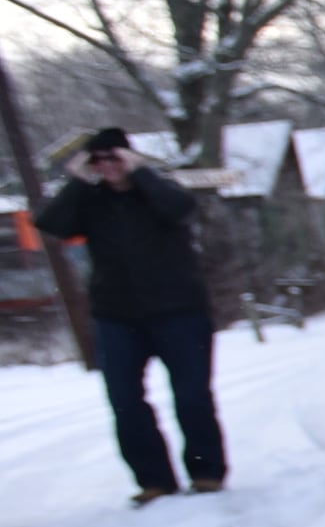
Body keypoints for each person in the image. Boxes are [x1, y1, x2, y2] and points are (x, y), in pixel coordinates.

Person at [37, 129, 227, 505]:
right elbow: (52, 225)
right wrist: (77, 180)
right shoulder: (90, 202)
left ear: (130, 157)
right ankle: (154, 481)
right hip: (117, 315)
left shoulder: (158, 192)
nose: (107, 166)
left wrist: (142, 173)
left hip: (180, 310)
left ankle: (206, 473)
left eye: (114, 157)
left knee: (192, 396)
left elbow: (181, 210)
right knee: (125, 400)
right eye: (98, 160)